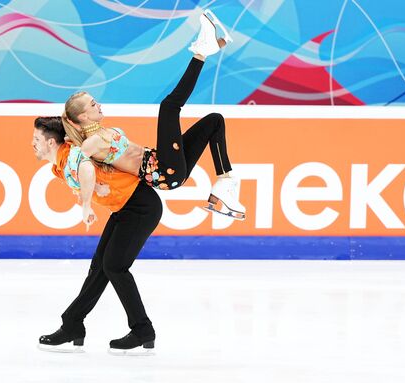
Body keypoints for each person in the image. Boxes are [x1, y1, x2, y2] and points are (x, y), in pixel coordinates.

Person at [61, 9, 246, 220]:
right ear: (83, 117)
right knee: (168, 107)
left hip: (164, 163)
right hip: (164, 173)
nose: (99, 105)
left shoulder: (98, 134)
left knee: (214, 121)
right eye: (93, 105)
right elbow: (77, 170)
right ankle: (202, 51)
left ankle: (226, 183)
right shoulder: (91, 143)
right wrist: (88, 201)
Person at [31, 116, 162, 355]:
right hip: (125, 207)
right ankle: (72, 324)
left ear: (51, 143)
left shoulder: (68, 156)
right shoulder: (59, 164)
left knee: (114, 267)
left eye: (36, 139)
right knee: (100, 267)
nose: (33, 143)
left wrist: (86, 205)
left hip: (140, 206)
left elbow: (86, 168)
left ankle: (143, 329)